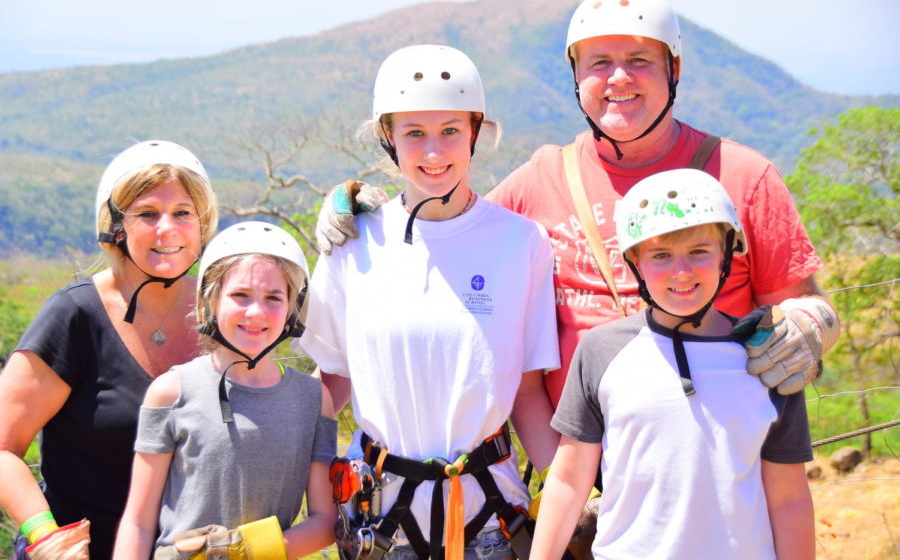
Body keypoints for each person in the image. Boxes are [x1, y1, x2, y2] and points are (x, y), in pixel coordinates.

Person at [313, 0, 840, 407]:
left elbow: (803, 297)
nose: (618, 79)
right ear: (575, 76)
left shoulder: (744, 175)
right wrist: (364, 206)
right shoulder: (544, 177)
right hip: (584, 467)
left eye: (638, 60)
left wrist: (812, 324)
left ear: (673, 70)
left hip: (712, 458)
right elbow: (451, 223)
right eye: (598, 63)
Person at [299, 44, 560, 560]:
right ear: (388, 137)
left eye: (450, 131)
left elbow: (527, 388)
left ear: (475, 132)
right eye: (414, 133)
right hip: (379, 521)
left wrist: (569, 492)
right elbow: (330, 381)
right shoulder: (352, 241)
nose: (434, 152)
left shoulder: (520, 243)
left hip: (491, 517)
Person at [531, 168, 816, 560]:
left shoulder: (769, 356)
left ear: (725, 255)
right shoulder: (601, 351)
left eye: (699, 251)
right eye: (661, 255)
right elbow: (568, 479)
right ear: (635, 261)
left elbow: (788, 498)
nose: (681, 271)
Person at [0, 140, 218, 560]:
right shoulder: (75, 315)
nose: (166, 229)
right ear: (116, 226)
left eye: (183, 213)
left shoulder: (222, 313)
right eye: (147, 214)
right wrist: (45, 536)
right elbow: (4, 447)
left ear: (203, 223)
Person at [112, 221, 337, 560]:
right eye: (240, 295)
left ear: (293, 307)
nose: (256, 312)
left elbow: (324, 521)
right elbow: (138, 521)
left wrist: (241, 552)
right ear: (211, 300)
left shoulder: (314, 399)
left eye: (274, 297)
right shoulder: (171, 392)